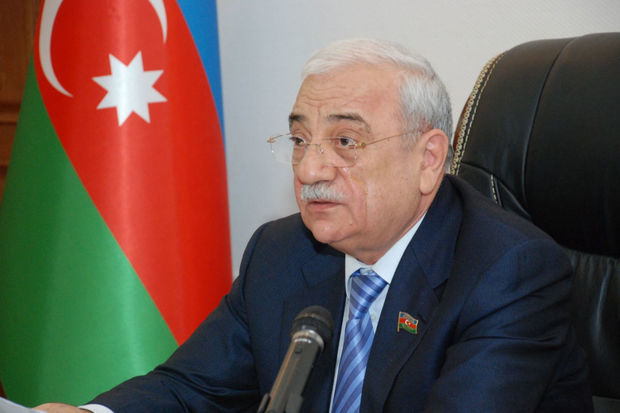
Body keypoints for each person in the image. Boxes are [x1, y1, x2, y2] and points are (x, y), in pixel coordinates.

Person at [37, 38, 592, 413]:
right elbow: (192, 388)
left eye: (345, 141)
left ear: (428, 160)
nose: (309, 170)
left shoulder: (508, 272)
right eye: (301, 140)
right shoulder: (281, 251)